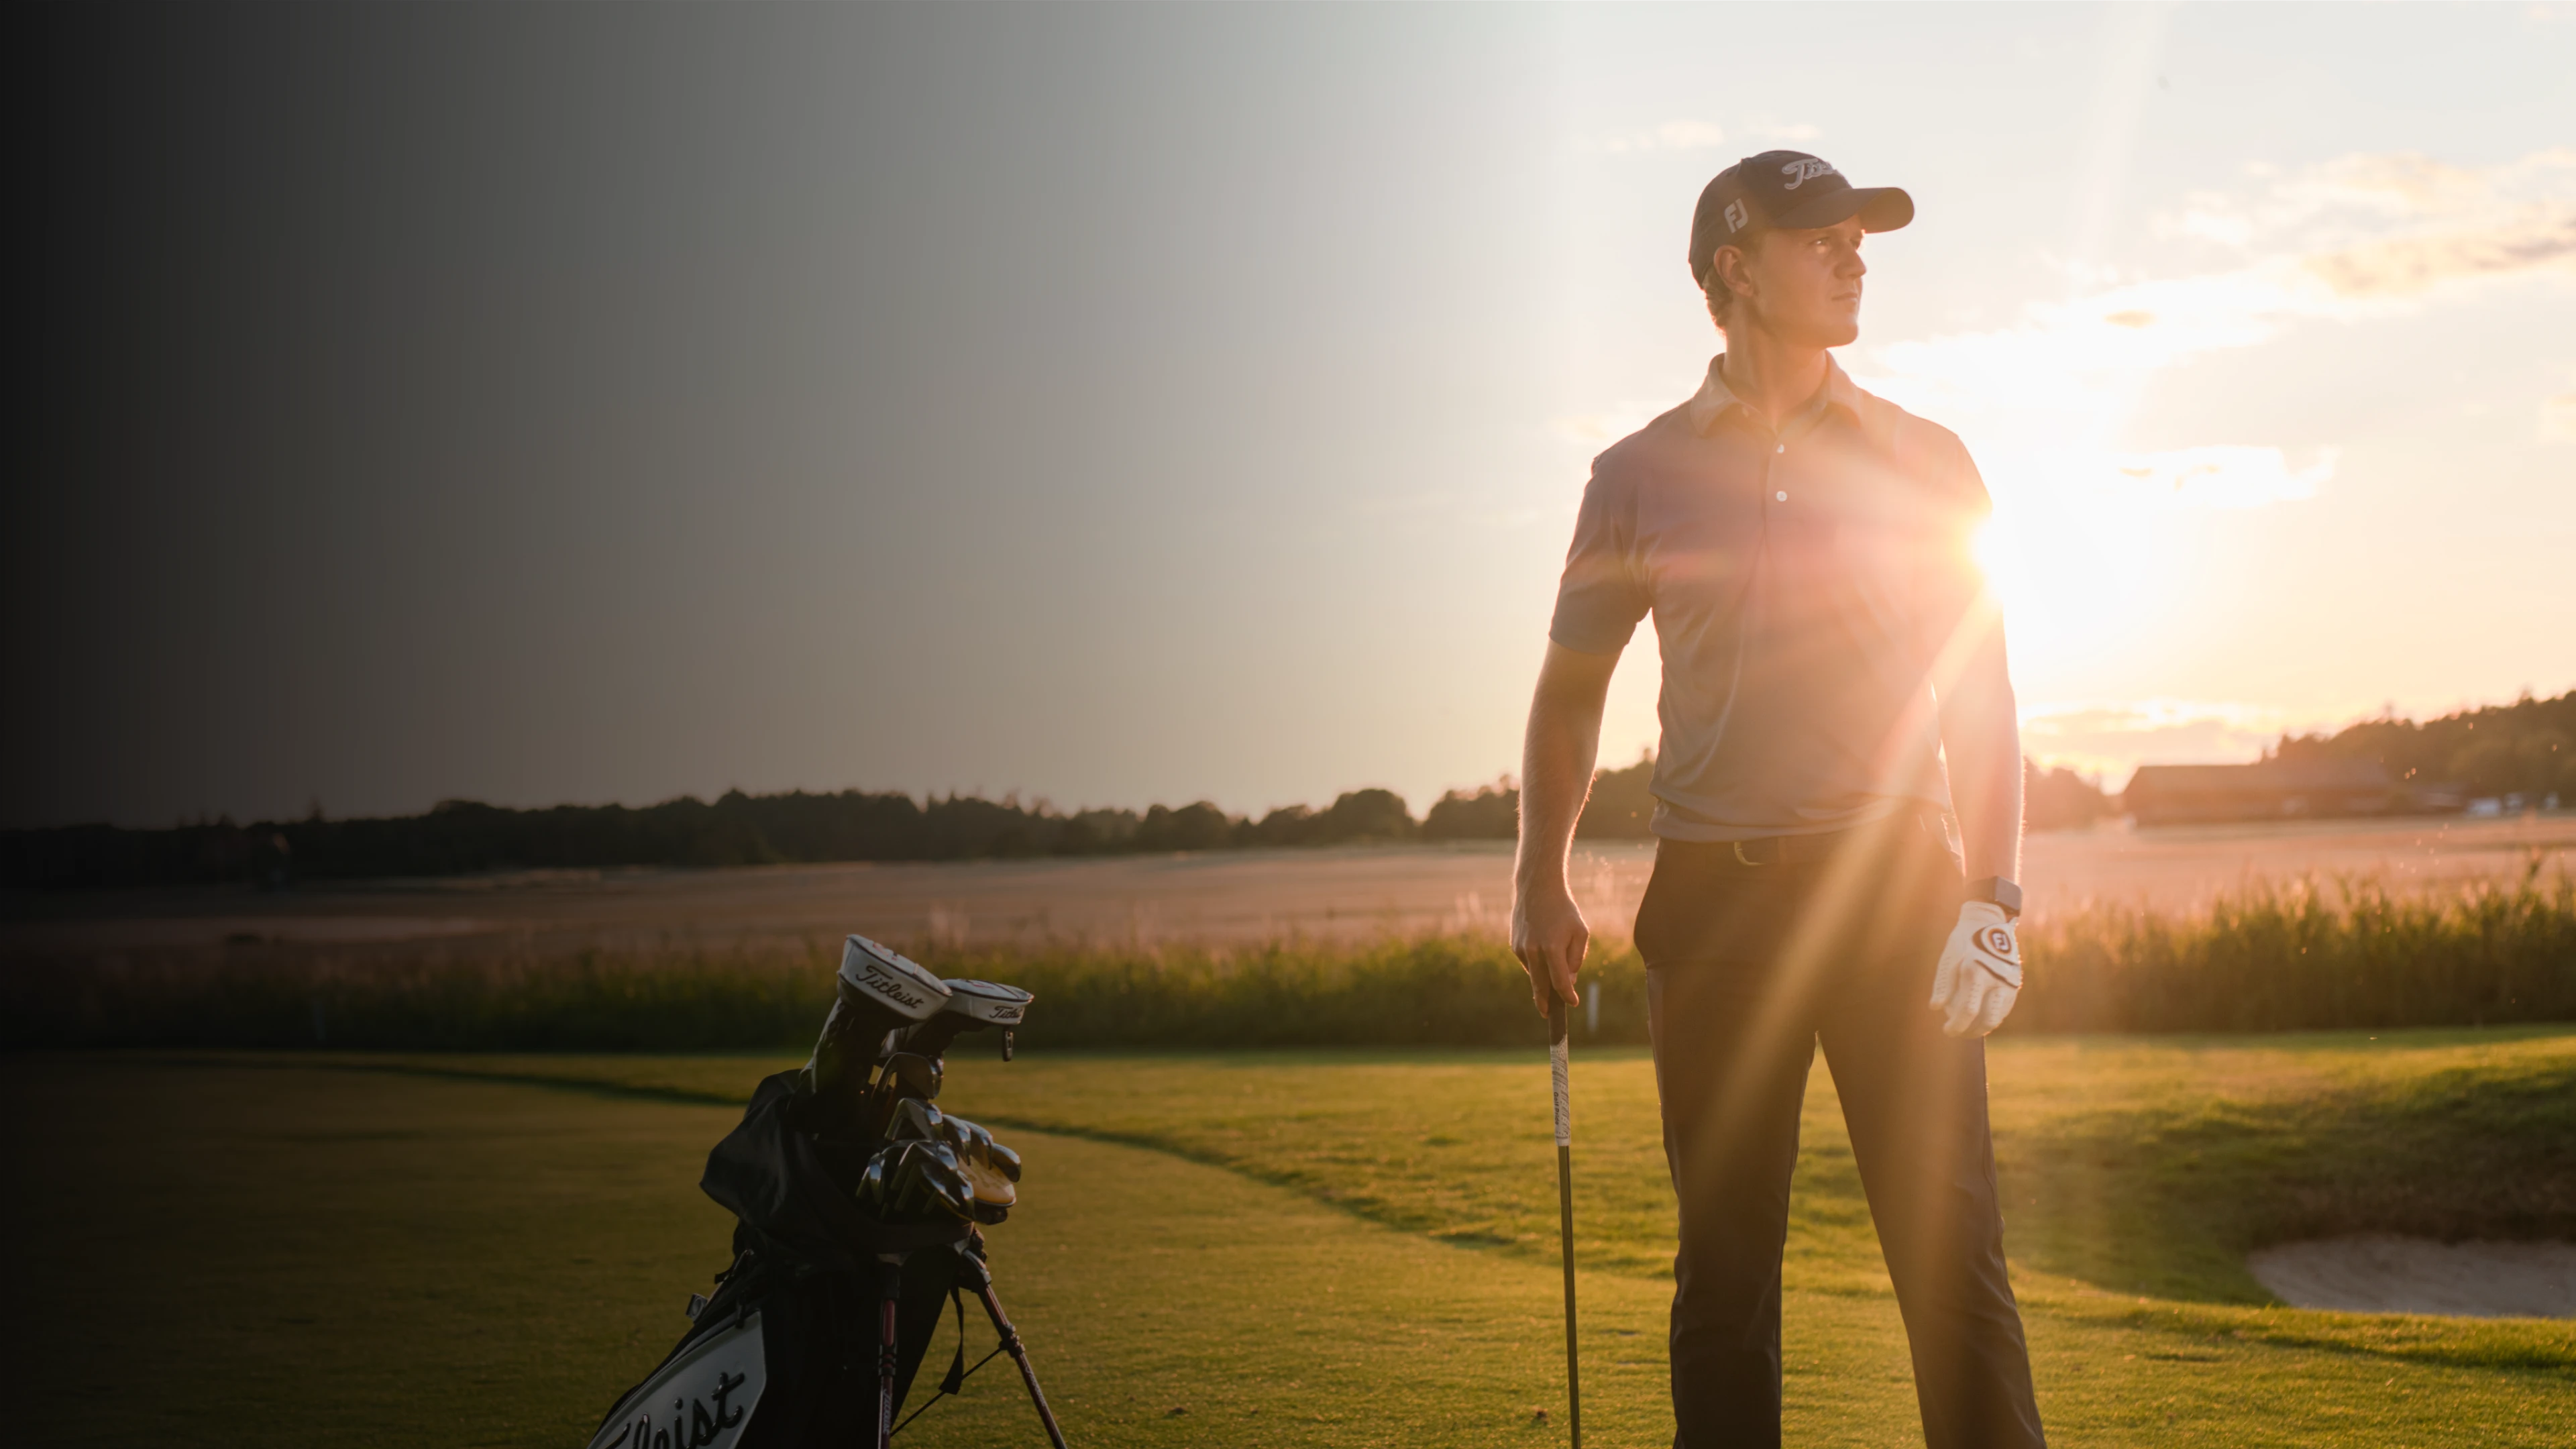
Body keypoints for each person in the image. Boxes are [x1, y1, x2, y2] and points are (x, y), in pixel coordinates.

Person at [1510, 151, 2046, 1448]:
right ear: (1734, 271)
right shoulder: (1635, 475)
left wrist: (1997, 898)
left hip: (1895, 895)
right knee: (1725, 1277)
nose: (1855, 255)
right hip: (1715, 908)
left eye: (1862, 236)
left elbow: (1982, 694)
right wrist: (1540, 874)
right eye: (1822, 239)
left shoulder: (1926, 458)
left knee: (1950, 1260)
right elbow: (1571, 690)